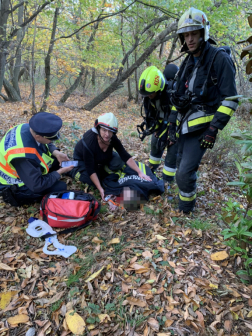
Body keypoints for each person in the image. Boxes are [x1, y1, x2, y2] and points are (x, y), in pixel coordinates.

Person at [170, 7, 238, 213]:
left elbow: (231, 99)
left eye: (194, 33)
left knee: (183, 172)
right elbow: (178, 95)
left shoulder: (220, 59)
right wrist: (172, 124)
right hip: (184, 124)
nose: (190, 39)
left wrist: (213, 129)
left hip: (202, 127)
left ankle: (186, 209)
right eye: (186, 35)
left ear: (203, 33)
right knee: (179, 169)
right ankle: (185, 201)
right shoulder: (188, 62)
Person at [70, 112, 151, 200]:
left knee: (119, 162)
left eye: (110, 131)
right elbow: (90, 169)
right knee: (91, 181)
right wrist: (100, 188)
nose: (107, 134)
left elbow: (124, 155)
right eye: (104, 130)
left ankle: (102, 168)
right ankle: (72, 171)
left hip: (100, 157)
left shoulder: (112, 138)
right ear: (98, 129)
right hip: (83, 160)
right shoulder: (89, 142)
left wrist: (139, 172)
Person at [0, 112, 74, 206]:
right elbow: (37, 185)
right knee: (60, 187)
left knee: (58, 160)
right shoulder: (23, 156)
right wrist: (59, 172)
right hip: (16, 185)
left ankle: (68, 170)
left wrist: (56, 152)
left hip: (26, 168)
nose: (51, 141)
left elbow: (47, 142)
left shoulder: (29, 127)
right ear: (38, 137)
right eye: (50, 139)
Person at [138, 64, 179, 183]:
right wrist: (154, 129)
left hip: (175, 127)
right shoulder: (148, 97)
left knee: (172, 153)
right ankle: (151, 171)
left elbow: (175, 116)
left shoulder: (172, 94)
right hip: (162, 124)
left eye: (151, 94)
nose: (149, 97)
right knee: (155, 144)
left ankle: (167, 181)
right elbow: (150, 115)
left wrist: (169, 134)